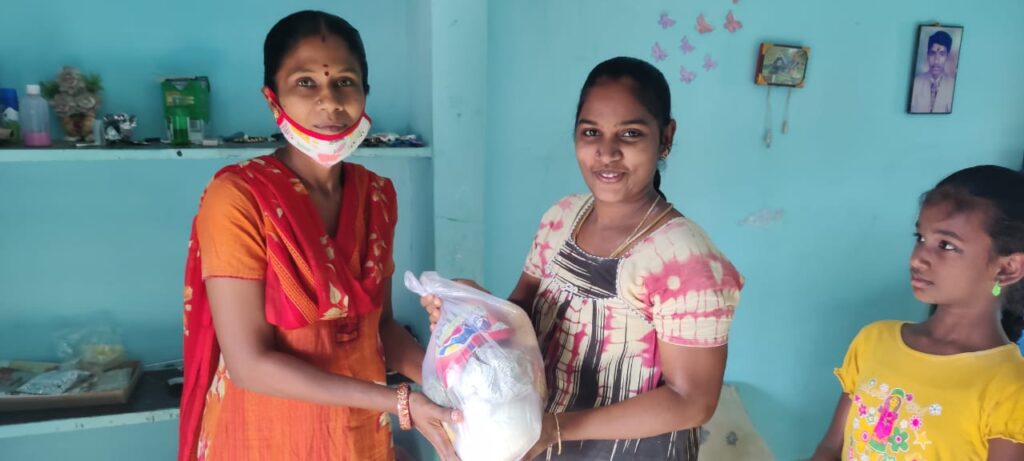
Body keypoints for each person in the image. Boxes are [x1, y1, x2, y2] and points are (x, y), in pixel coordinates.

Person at [423, 57, 744, 460]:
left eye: (630, 134)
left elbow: (692, 400)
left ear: (666, 138)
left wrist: (554, 429)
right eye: (591, 132)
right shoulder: (561, 218)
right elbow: (522, 316)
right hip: (541, 441)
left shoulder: (685, 259)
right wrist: (470, 308)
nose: (606, 152)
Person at [178, 10, 457, 461]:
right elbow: (250, 365)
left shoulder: (376, 195)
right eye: (305, 83)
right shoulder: (238, 198)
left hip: (360, 436)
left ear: (365, 93)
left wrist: (448, 380)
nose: (329, 101)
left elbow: (381, 326)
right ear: (273, 100)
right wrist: (402, 401)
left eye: (345, 82)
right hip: (267, 437)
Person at [811, 165, 1024, 460]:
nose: (918, 258)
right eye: (920, 238)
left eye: (946, 245)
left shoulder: (1011, 387)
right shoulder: (874, 340)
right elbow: (831, 447)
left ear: (1007, 268)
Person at [910, 30, 956, 113]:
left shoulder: (953, 86)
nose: (936, 61)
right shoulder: (915, 83)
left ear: (947, 57)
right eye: (932, 53)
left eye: (941, 54)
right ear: (927, 55)